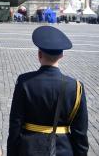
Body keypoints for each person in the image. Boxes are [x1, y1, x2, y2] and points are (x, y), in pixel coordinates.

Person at [7, 26, 89, 156]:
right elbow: (80, 132)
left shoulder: (24, 82)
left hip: (28, 149)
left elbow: (15, 124)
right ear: (62, 55)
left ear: (39, 54)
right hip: (63, 150)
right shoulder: (76, 86)